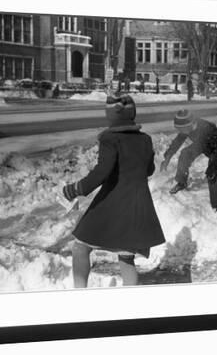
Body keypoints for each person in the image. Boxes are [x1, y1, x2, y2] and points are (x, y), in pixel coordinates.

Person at [63, 94, 165, 288]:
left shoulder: (110, 139)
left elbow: (103, 171)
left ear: (112, 117)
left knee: (81, 247)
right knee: (126, 257)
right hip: (138, 205)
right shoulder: (145, 140)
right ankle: (129, 301)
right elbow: (149, 170)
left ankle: (79, 293)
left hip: (113, 202)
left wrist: (76, 188)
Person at [160, 109, 217, 197]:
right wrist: (167, 157)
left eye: (182, 129)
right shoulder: (187, 128)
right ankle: (181, 182)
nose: (181, 131)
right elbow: (177, 142)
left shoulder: (208, 128)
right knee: (185, 154)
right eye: (179, 129)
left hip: (215, 147)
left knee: (213, 170)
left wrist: (213, 165)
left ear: (189, 125)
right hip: (200, 144)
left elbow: (216, 150)